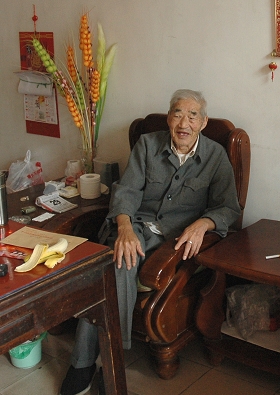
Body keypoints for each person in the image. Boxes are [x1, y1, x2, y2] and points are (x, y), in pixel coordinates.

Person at [60, 89, 241, 395]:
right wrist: (124, 228)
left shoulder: (215, 156)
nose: (184, 123)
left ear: (203, 122)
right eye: (177, 114)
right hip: (133, 227)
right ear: (169, 118)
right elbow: (127, 191)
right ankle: (110, 362)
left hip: (170, 239)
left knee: (113, 268)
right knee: (117, 262)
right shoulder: (147, 145)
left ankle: (87, 364)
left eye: (192, 116)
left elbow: (228, 208)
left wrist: (203, 223)